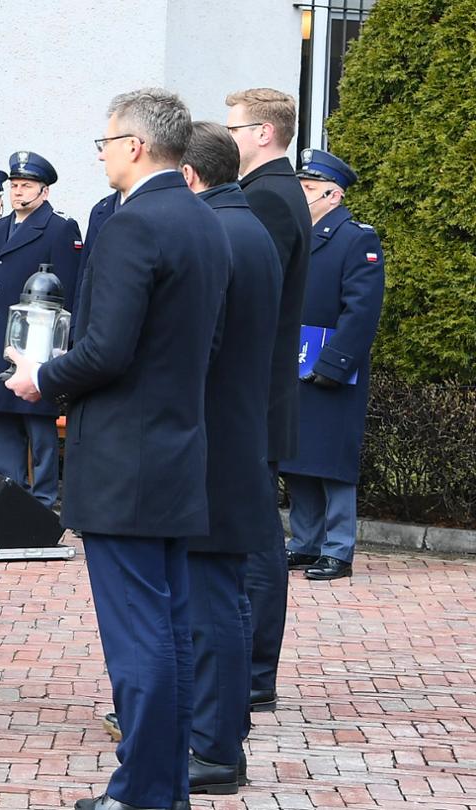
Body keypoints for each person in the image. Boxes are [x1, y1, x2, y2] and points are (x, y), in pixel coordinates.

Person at [6, 88, 226, 810]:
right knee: (169, 630)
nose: (100, 154)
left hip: (125, 459)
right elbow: (202, 344)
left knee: (139, 640)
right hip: (176, 448)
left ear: (135, 145)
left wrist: (42, 377)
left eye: (104, 142)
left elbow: (107, 349)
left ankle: (142, 793)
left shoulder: (134, 224)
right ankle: (164, 788)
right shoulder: (203, 218)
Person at [180, 121, 283, 795]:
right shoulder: (246, 226)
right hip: (236, 432)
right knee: (224, 597)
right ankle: (222, 736)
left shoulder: (217, 232)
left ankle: (215, 747)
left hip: (214, 439)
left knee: (212, 598)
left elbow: (199, 348)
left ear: (189, 175)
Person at [225, 86, 312, 714]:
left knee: (254, 540)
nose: (227, 138)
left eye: (234, 129)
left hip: (252, 400)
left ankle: (253, 673)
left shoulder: (267, 198)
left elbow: (252, 304)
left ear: (263, 133)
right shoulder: (273, 192)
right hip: (257, 397)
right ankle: (248, 672)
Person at [278, 149, 385, 582]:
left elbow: (361, 311)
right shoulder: (296, 235)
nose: (300, 195)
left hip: (334, 368)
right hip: (294, 361)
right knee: (297, 457)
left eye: (308, 188)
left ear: (333, 195)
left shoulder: (355, 239)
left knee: (332, 461)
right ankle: (305, 542)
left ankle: (338, 549)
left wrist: (335, 363)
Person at [0, 151, 81, 508]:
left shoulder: (60, 228)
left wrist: (62, 349)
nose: (17, 192)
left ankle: (43, 500)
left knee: (37, 423)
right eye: (14, 186)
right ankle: (9, 495)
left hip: (36, 344)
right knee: (0, 420)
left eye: (26, 186)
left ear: (44, 191)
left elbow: (68, 293)